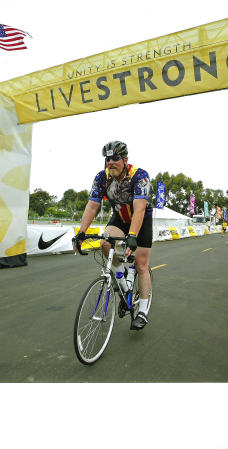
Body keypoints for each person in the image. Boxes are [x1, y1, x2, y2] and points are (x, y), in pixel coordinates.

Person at [72, 140, 153, 331]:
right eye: (108, 159)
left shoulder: (139, 176)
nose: (111, 162)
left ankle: (142, 310)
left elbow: (139, 209)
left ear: (125, 160)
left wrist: (133, 235)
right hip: (119, 217)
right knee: (105, 244)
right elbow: (92, 205)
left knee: (141, 265)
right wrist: (81, 233)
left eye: (116, 158)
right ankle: (122, 277)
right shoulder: (102, 178)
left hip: (140, 219)